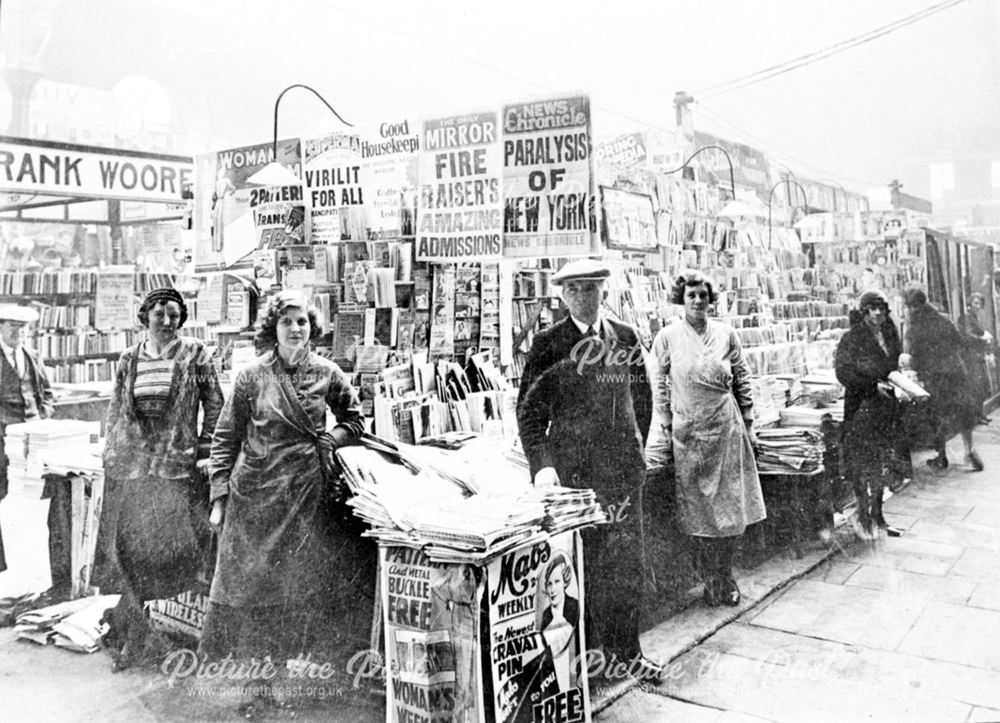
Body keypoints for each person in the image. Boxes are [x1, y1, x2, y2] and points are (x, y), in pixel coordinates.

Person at [200, 291, 371, 713]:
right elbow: (225, 438)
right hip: (254, 498)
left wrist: (332, 438)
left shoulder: (328, 373)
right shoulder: (251, 376)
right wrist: (219, 496)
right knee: (251, 595)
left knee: (293, 594)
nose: (296, 329)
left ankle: (279, 677)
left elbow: (355, 421)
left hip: (304, 498)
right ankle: (255, 683)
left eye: (303, 322)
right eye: (287, 322)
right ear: (272, 329)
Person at [516, 258, 661, 683]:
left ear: (604, 292)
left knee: (625, 565)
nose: (584, 296)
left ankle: (628, 654)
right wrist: (542, 466)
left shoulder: (626, 338)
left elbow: (643, 401)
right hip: (573, 480)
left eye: (591, 288)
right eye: (575, 289)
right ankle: (581, 667)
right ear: (562, 295)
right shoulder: (548, 343)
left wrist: (633, 449)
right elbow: (528, 412)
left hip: (620, 476)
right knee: (577, 569)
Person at [93, 288, 224, 670]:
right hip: (135, 472)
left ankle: (156, 636)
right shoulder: (128, 359)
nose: (167, 322)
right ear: (145, 316)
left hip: (176, 472)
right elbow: (117, 411)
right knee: (130, 555)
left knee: (171, 557)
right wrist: (113, 453)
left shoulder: (197, 354)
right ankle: (136, 639)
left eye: (174, 315)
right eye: (159, 314)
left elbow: (215, 404)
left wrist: (204, 451)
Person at [646, 271, 765, 607]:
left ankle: (725, 576)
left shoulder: (727, 335)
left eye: (703, 296)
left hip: (727, 429)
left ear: (712, 300)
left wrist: (751, 423)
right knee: (698, 511)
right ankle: (710, 578)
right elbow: (659, 385)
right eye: (691, 296)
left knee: (729, 510)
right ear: (681, 300)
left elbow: (742, 378)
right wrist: (668, 425)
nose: (698, 301)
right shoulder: (667, 337)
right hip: (690, 433)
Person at [834, 290, 908, 540]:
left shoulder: (889, 334)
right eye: (872, 308)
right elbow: (843, 373)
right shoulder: (852, 338)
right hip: (861, 407)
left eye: (881, 308)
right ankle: (863, 514)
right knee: (860, 464)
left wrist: (900, 382)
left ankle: (877, 514)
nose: (877, 313)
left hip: (886, 408)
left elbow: (892, 366)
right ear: (864, 311)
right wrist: (871, 386)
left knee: (880, 463)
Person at [903, 285, 983, 471]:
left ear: (912, 307)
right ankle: (969, 449)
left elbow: (916, 355)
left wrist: (913, 367)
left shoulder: (916, 327)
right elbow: (961, 343)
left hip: (935, 377)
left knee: (937, 416)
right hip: (956, 372)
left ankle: (942, 456)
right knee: (964, 412)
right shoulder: (944, 320)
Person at [0, 304, 54, 575]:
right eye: (12, 327)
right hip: (2, 437)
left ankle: (34, 564)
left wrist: (42, 414)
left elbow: (46, 391)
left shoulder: (32, 356)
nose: (18, 333)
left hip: (34, 436)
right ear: (0, 328)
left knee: (39, 497)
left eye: (22, 328)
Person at [958, 292, 993, 425]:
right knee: (976, 386)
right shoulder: (966, 318)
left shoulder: (974, 317)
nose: (978, 306)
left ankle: (980, 414)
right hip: (971, 357)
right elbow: (967, 335)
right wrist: (982, 338)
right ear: (969, 305)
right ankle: (976, 416)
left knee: (981, 386)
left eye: (980, 303)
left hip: (978, 355)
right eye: (975, 303)